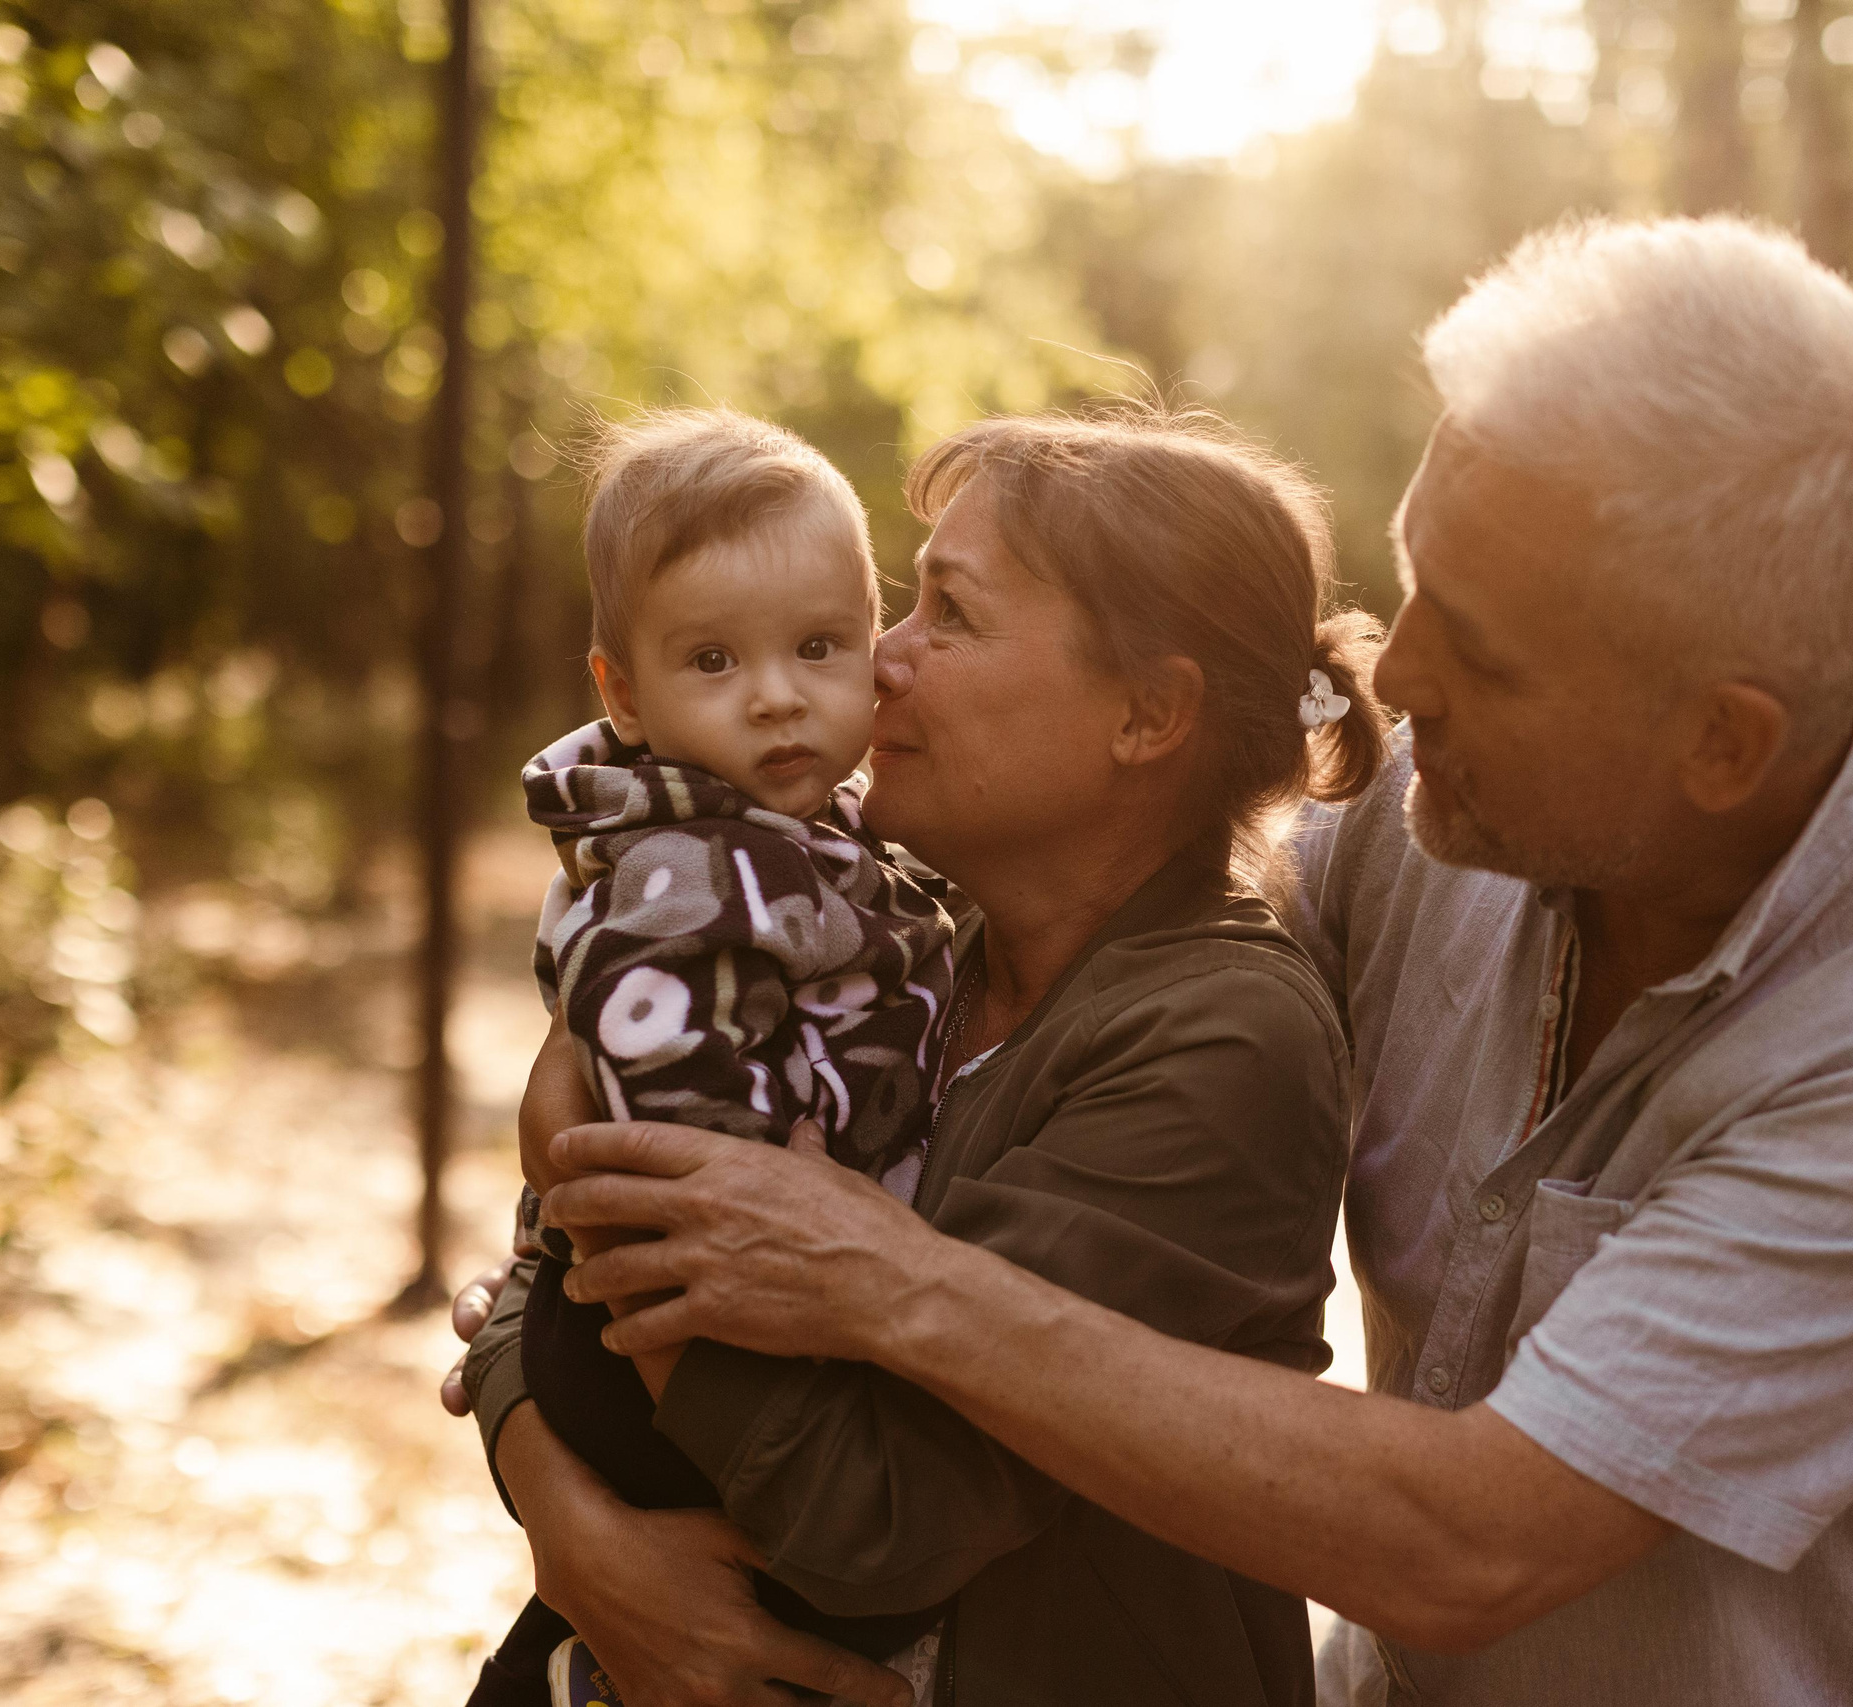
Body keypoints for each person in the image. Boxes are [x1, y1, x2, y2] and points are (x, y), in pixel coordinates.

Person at [524, 216, 1853, 1706]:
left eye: (1478, 646)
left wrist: (887, 1284)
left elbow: (1476, 1542)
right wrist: (558, 1489)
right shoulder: (1443, 806)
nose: (1393, 671)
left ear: (1720, 738)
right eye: (1417, 579)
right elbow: (1072, 885)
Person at [457, 405, 1395, 1706]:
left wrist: (582, 1205)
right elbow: (538, 1269)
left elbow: (873, 1519)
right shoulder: (897, 930)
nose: (878, 662)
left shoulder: (1221, 1040)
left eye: (945, 615)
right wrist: (578, 1533)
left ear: (1147, 713)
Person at [473, 409, 959, 1706]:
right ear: (621, 690)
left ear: (873, 636)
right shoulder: (688, 868)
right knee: (775, 1586)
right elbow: (669, 1091)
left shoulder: (810, 837)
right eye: (712, 661)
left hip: (699, 1308)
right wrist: (795, 1213)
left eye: (818, 646)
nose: (777, 695)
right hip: (670, 1317)